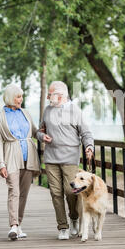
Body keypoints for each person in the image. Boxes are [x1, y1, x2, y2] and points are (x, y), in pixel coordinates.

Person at [36, 81, 94, 240]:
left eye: (50, 94)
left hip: (70, 159)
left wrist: (89, 146)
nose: (48, 96)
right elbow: (40, 130)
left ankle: (74, 217)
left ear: (60, 96)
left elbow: (86, 133)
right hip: (51, 158)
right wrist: (41, 136)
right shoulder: (47, 110)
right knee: (55, 192)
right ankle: (62, 227)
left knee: (71, 191)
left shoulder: (75, 111)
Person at [0, 83, 41, 240]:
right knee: (14, 190)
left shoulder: (25, 113)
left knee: (24, 193)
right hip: (11, 157)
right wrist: (1, 163)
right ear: (10, 98)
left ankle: (18, 225)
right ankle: (13, 226)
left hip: (29, 157)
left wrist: (42, 136)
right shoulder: (0, 117)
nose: (21, 99)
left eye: (21, 96)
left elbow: (34, 131)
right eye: (18, 96)